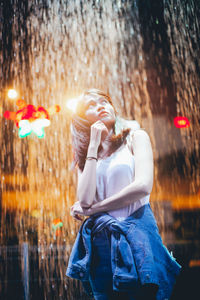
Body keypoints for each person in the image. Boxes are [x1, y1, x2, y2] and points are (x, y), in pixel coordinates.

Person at [66, 89, 181, 300]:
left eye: (104, 101)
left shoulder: (136, 137)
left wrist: (96, 209)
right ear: (82, 119)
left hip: (136, 240)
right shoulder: (86, 155)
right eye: (91, 105)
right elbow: (85, 200)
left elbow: (143, 186)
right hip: (101, 246)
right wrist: (92, 144)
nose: (100, 106)